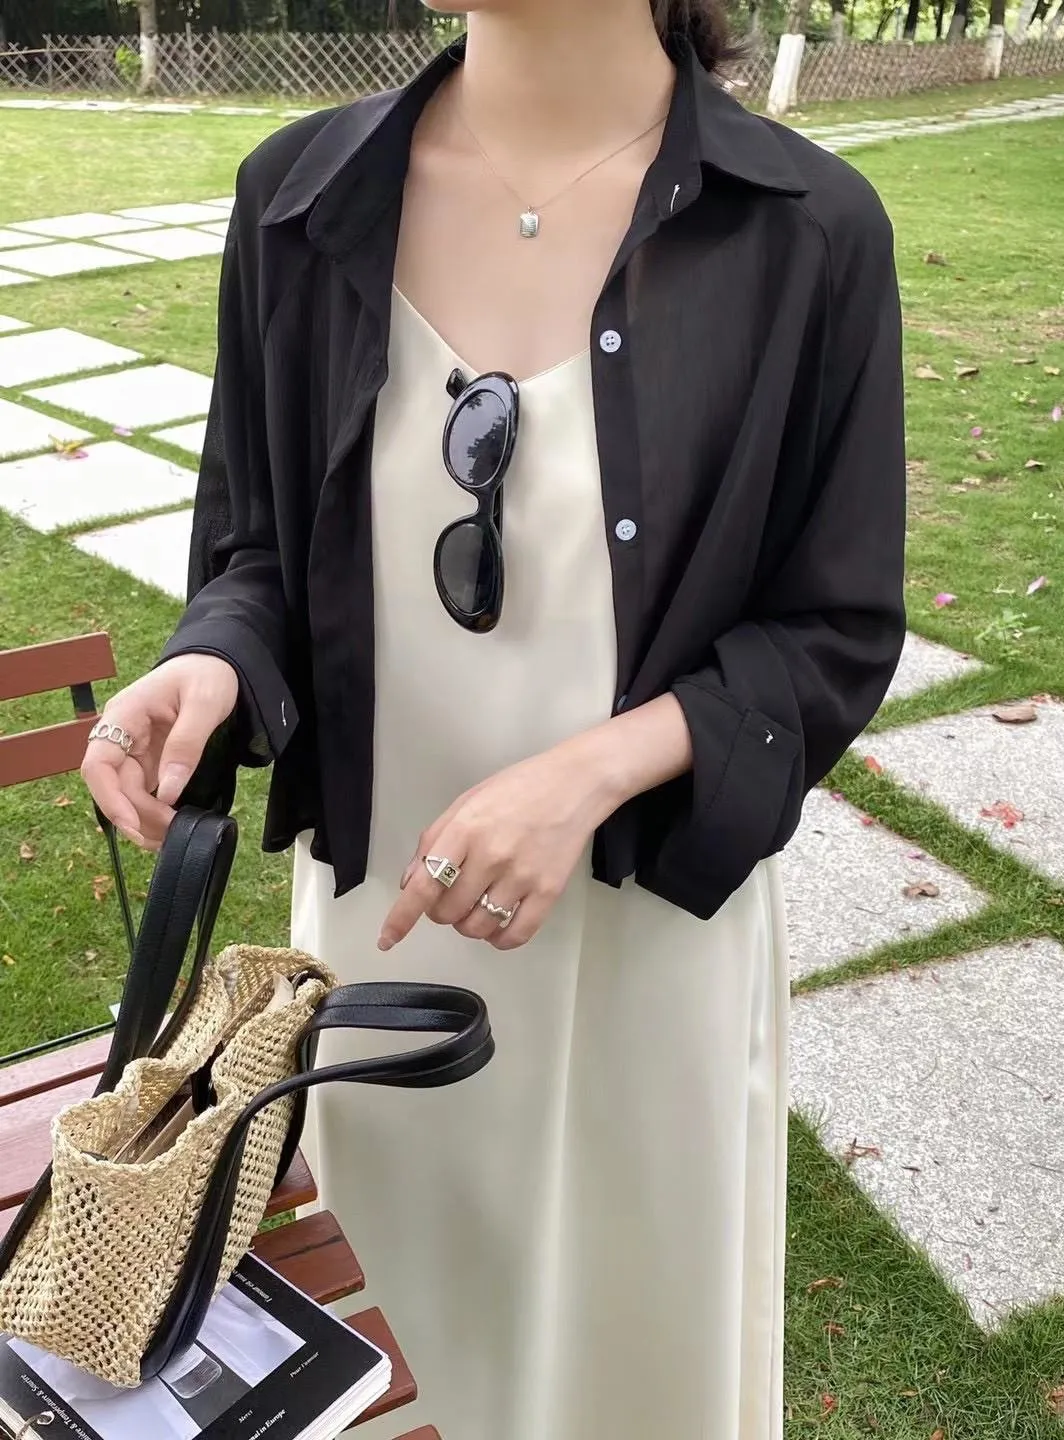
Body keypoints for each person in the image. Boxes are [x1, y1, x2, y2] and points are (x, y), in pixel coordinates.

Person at [81, 0, 907, 1434]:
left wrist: (591, 771)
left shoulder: (807, 233)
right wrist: (214, 657)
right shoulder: (295, 201)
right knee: (409, 1357)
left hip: (648, 951)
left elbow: (831, 633)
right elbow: (257, 549)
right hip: (382, 962)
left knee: (632, 1373)